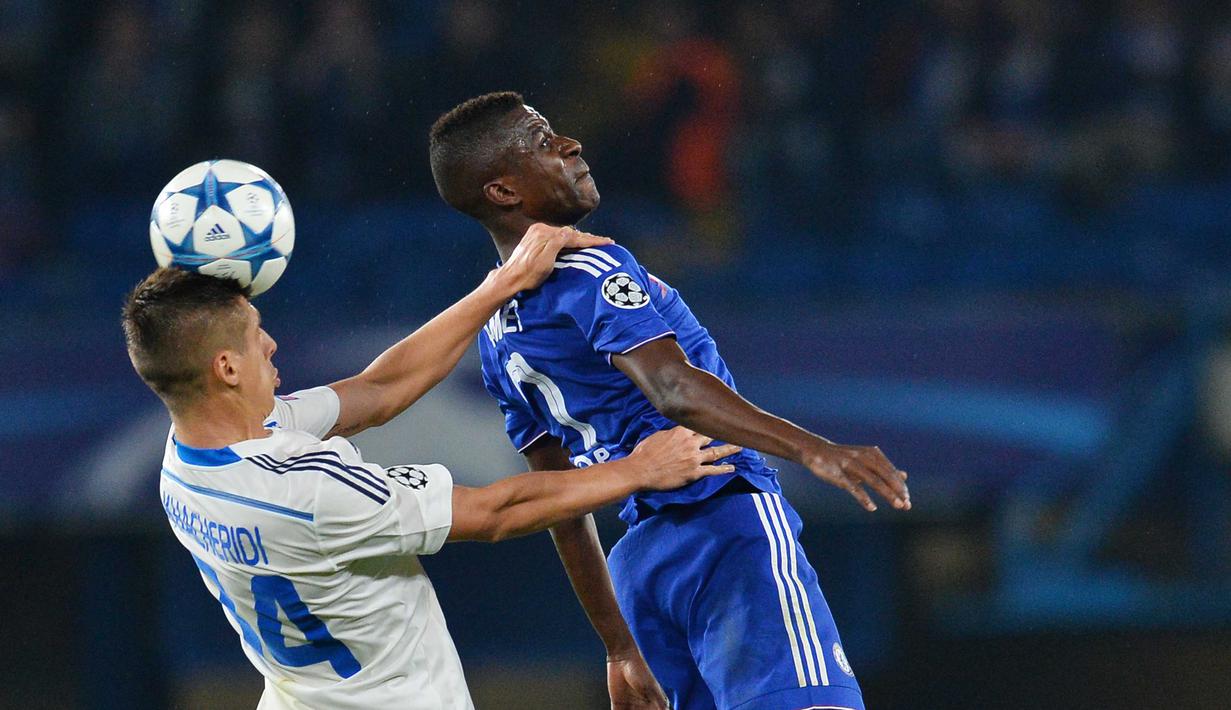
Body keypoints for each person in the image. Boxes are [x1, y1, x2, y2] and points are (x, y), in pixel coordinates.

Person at [120, 224, 740, 710]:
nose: (272, 344)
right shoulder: (305, 491)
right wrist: (639, 468)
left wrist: (502, 284)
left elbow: (379, 390)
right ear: (226, 369)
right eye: (257, 334)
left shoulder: (185, 459)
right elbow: (496, 512)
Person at [428, 92, 912, 710]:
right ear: (504, 192)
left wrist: (618, 645)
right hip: (723, 521)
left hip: (642, 571)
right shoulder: (590, 269)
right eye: (542, 141)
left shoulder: (495, 337)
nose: (570, 145)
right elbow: (675, 389)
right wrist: (814, 450)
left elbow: (559, 505)